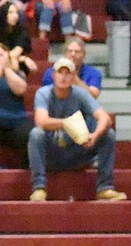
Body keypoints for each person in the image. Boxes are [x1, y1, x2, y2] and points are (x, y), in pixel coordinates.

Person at [28, 57, 123, 202]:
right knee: (36, 134)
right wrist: (67, 123)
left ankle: (105, 187)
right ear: (53, 75)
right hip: (52, 153)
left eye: (68, 73)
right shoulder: (43, 93)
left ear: (74, 77)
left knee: (108, 134)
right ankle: (39, 188)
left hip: (77, 151)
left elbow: (105, 118)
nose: (64, 77)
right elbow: (41, 121)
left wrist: (95, 136)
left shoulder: (81, 93)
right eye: (60, 73)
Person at [0, 1, 38, 75]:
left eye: (16, 13)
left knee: (14, 61)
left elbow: (15, 53)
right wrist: (23, 58)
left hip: (15, 61)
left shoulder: (22, 31)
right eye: (11, 13)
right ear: (4, 14)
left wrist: (19, 58)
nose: (15, 16)